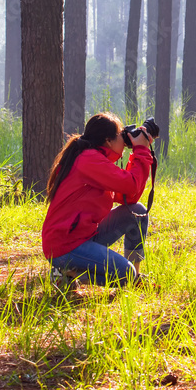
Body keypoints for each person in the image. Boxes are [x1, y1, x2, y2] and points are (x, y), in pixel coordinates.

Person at [42, 112, 153, 289]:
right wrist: (141, 150)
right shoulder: (88, 160)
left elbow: (129, 196)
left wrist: (138, 153)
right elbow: (132, 185)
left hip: (85, 236)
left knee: (137, 212)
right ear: (108, 140)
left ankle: (136, 278)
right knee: (125, 274)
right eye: (121, 134)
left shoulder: (98, 159)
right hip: (65, 246)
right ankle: (66, 274)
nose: (125, 140)